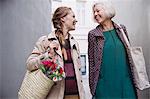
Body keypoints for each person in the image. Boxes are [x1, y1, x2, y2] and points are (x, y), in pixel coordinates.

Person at [26, 6, 85, 99]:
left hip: (76, 95)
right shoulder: (45, 41)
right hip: (56, 96)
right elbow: (29, 64)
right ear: (63, 19)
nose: (76, 20)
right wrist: (47, 55)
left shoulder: (74, 43)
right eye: (73, 16)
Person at [88, 1, 137, 99]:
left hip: (125, 81)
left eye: (98, 11)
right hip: (104, 85)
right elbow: (92, 62)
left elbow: (129, 55)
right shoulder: (93, 34)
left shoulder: (121, 29)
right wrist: (93, 87)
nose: (95, 14)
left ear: (107, 10)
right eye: (94, 12)